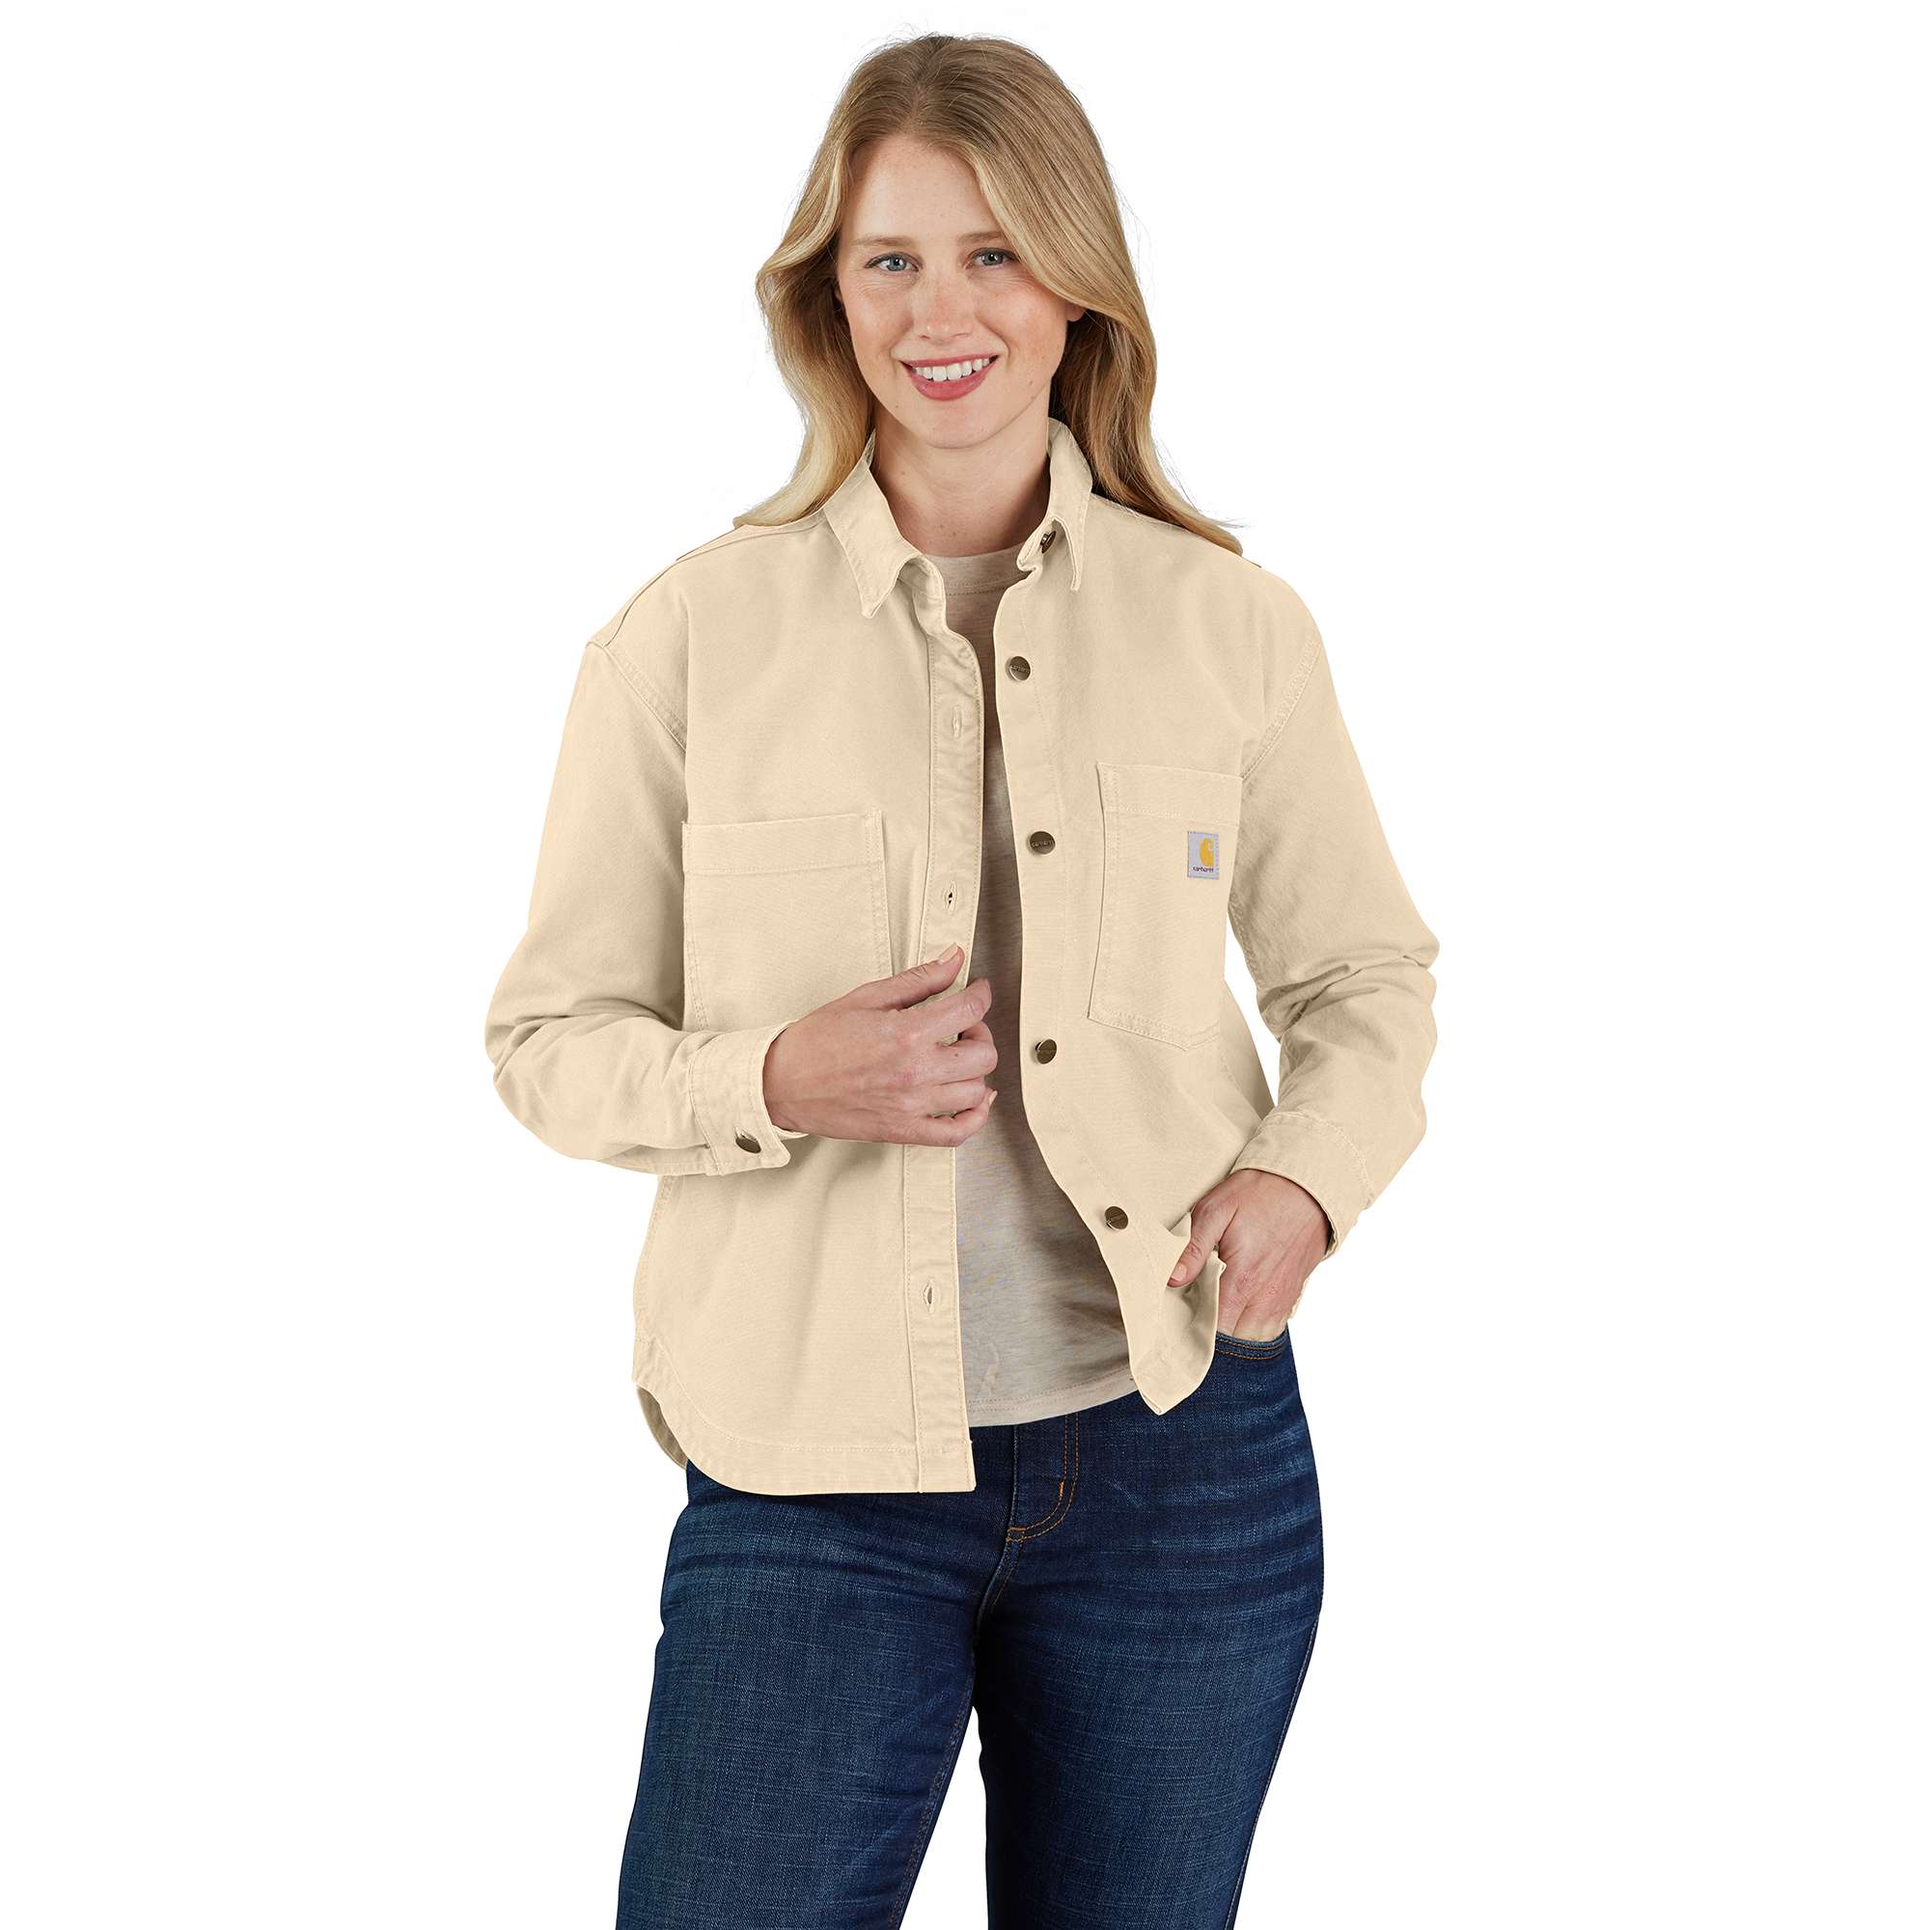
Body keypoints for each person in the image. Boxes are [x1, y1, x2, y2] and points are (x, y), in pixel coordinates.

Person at [483, 32, 1439, 1929]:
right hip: (809, 1472)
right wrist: (773, 1077)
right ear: (826, 299)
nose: (943, 311)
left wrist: (1301, 1180)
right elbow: (546, 1041)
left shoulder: (1229, 626)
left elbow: (1362, 975)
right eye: (890, 259)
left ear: (1074, 286)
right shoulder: (688, 638)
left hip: (1180, 1461)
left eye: (994, 253)